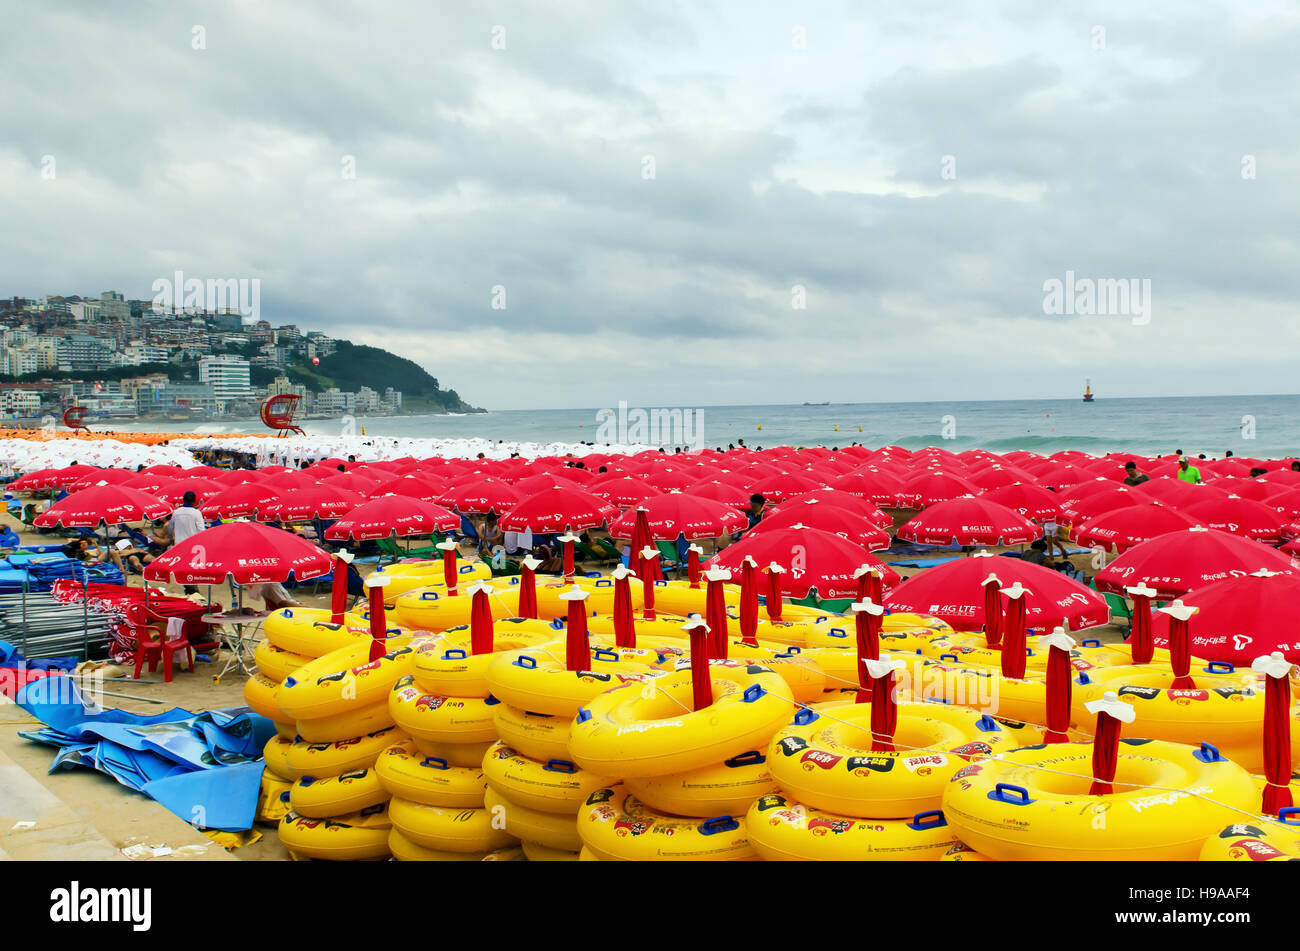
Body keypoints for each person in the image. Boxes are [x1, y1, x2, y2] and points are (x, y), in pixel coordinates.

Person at [167, 491, 206, 593]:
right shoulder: (197, 513)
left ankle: (189, 589)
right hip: (193, 545)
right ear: (194, 501)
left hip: (179, 544)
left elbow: (170, 528)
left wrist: (172, 537)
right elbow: (202, 530)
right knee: (192, 569)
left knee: (183, 569)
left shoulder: (176, 512)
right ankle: (192, 589)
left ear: (183, 500)